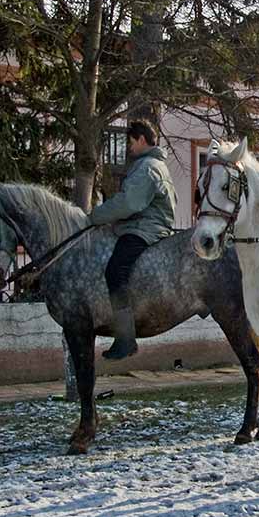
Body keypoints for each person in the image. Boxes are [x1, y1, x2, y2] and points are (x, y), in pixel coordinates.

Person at [89, 120, 177, 360]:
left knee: (115, 272)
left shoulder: (147, 166)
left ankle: (126, 339)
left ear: (140, 139)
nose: (129, 148)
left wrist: (94, 217)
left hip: (144, 229)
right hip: (147, 225)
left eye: (130, 142)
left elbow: (130, 203)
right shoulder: (156, 165)